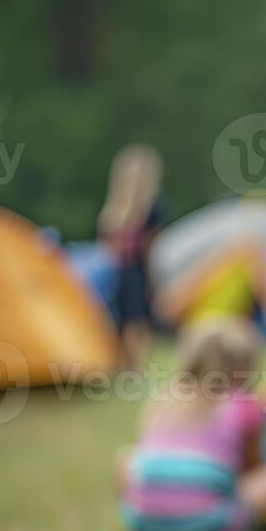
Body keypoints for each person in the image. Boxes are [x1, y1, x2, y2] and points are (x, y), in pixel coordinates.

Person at [116, 316, 266, 531]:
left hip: (143, 524)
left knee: (127, 457)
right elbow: (254, 468)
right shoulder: (244, 403)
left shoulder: (164, 398)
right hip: (209, 524)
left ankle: (154, 509)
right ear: (242, 366)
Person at [99, 143, 165, 370]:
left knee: (122, 320)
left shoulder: (112, 210)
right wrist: (153, 280)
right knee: (137, 322)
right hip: (136, 272)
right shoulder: (153, 210)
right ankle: (134, 368)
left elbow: (105, 245)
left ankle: (127, 366)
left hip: (115, 272)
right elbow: (152, 247)